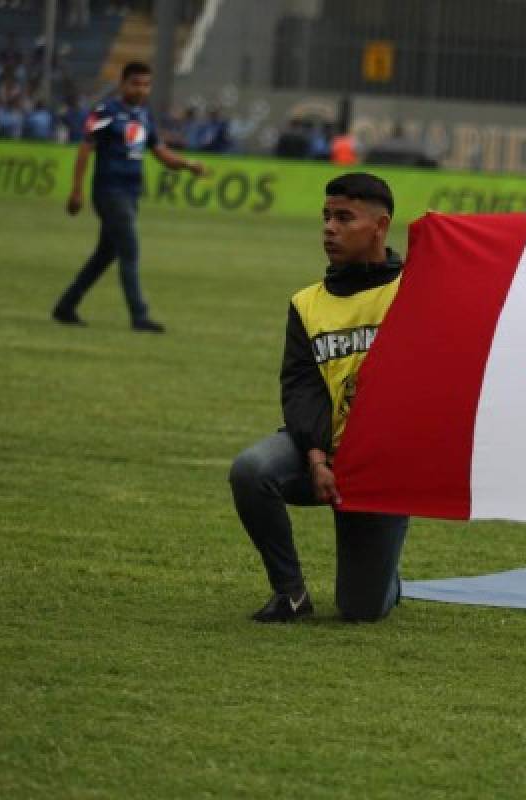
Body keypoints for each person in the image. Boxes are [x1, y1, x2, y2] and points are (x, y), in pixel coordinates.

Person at [228, 172, 409, 624]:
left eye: (344, 217)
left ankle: (387, 575)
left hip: (381, 465)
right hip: (318, 451)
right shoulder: (306, 304)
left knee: (361, 610)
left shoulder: (413, 291)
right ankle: (289, 593)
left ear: (380, 226)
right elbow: (301, 389)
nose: (329, 227)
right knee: (252, 470)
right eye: (326, 217)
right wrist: (316, 457)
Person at [51, 62, 207, 332]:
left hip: (131, 193)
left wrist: (187, 164)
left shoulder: (144, 115)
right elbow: (85, 148)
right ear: (123, 84)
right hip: (109, 191)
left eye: (146, 84)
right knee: (130, 250)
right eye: (136, 83)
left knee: (105, 255)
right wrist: (77, 190)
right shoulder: (106, 111)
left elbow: (159, 151)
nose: (141, 89)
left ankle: (65, 306)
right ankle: (139, 316)